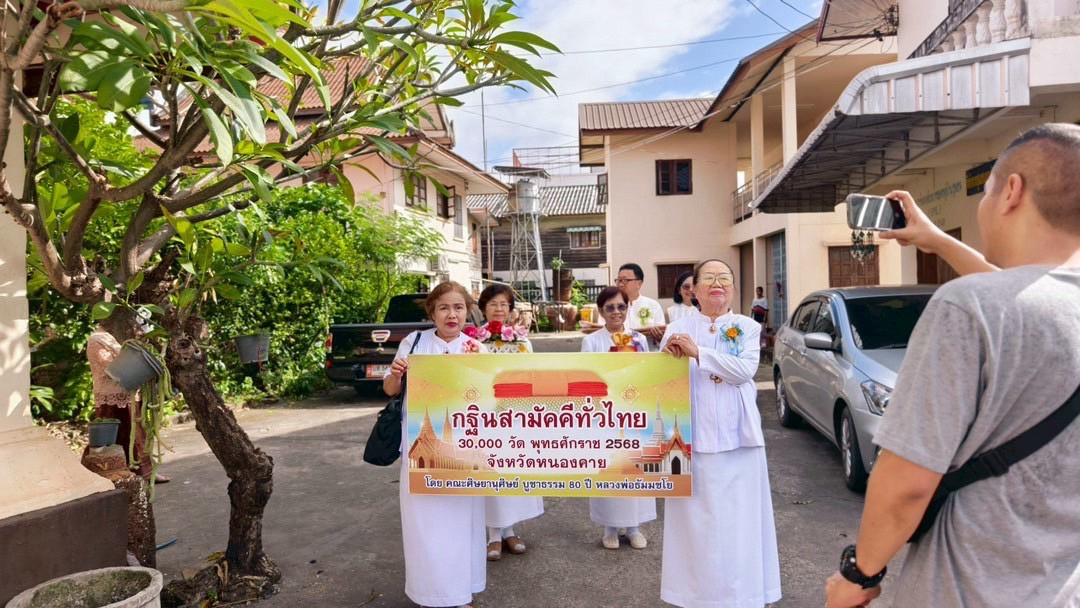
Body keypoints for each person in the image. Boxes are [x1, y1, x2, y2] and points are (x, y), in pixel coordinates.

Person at [824, 123, 1080, 608]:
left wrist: (858, 577)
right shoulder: (1040, 307)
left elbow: (906, 482)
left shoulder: (965, 307)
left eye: (984, 192)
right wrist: (937, 241)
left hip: (967, 591)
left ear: (1011, 191)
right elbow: (1027, 300)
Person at [659, 260, 781, 607]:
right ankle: (695, 596)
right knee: (694, 527)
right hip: (691, 441)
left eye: (724, 278)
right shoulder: (676, 328)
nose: (717, 283)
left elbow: (744, 370)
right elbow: (662, 381)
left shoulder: (745, 327)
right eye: (708, 278)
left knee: (738, 524)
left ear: (732, 289)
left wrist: (699, 352)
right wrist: (669, 358)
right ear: (693, 290)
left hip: (737, 440)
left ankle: (742, 595)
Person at [384, 282, 488, 608]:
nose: (451, 314)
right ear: (432, 312)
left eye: (458, 307)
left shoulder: (476, 349)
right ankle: (428, 592)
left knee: (461, 522)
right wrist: (397, 375)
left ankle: (460, 592)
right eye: (443, 308)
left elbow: (488, 400)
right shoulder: (413, 344)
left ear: (467, 311)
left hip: (463, 452)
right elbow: (388, 390)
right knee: (424, 524)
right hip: (419, 449)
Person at [580, 286, 654, 550]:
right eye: (609, 307)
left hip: (634, 413)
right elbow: (587, 377)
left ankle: (634, 526)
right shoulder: (592, 341)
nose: (616, 312)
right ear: (601, 311)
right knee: (609, 468)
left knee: (633, 468)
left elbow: (647, 372)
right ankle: (610, 527)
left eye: (621, 306)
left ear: (627, 308)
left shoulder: (639, 339)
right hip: (605, 414)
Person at [476, 284, 544, 561]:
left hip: (514, 414)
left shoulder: (522, 340)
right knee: (490, 471)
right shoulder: (473, 340)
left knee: (513, 472)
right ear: (483, 308)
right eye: (493, 304)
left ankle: (509, 531)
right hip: (483, 415)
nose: (499, 309)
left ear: (511, 309)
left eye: (504, 304)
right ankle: (493, 535)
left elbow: (532, 376)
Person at [86, 323, 168, 483]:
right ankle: (112, 475)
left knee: (136, 434)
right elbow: (111, 368)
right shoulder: (97, 339)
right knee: (113, 437)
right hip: (110, 396)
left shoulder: (114, 336)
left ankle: (144, 473)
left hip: (128, 392)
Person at [616, 263, 666, 351]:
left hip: (648, 357)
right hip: (620, 357)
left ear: (638, 283)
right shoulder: (611, 307)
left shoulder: (653, 305)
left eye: (624, 280)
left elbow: (663, 337)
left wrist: (660, 338)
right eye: (618, 280)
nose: (620, 284)